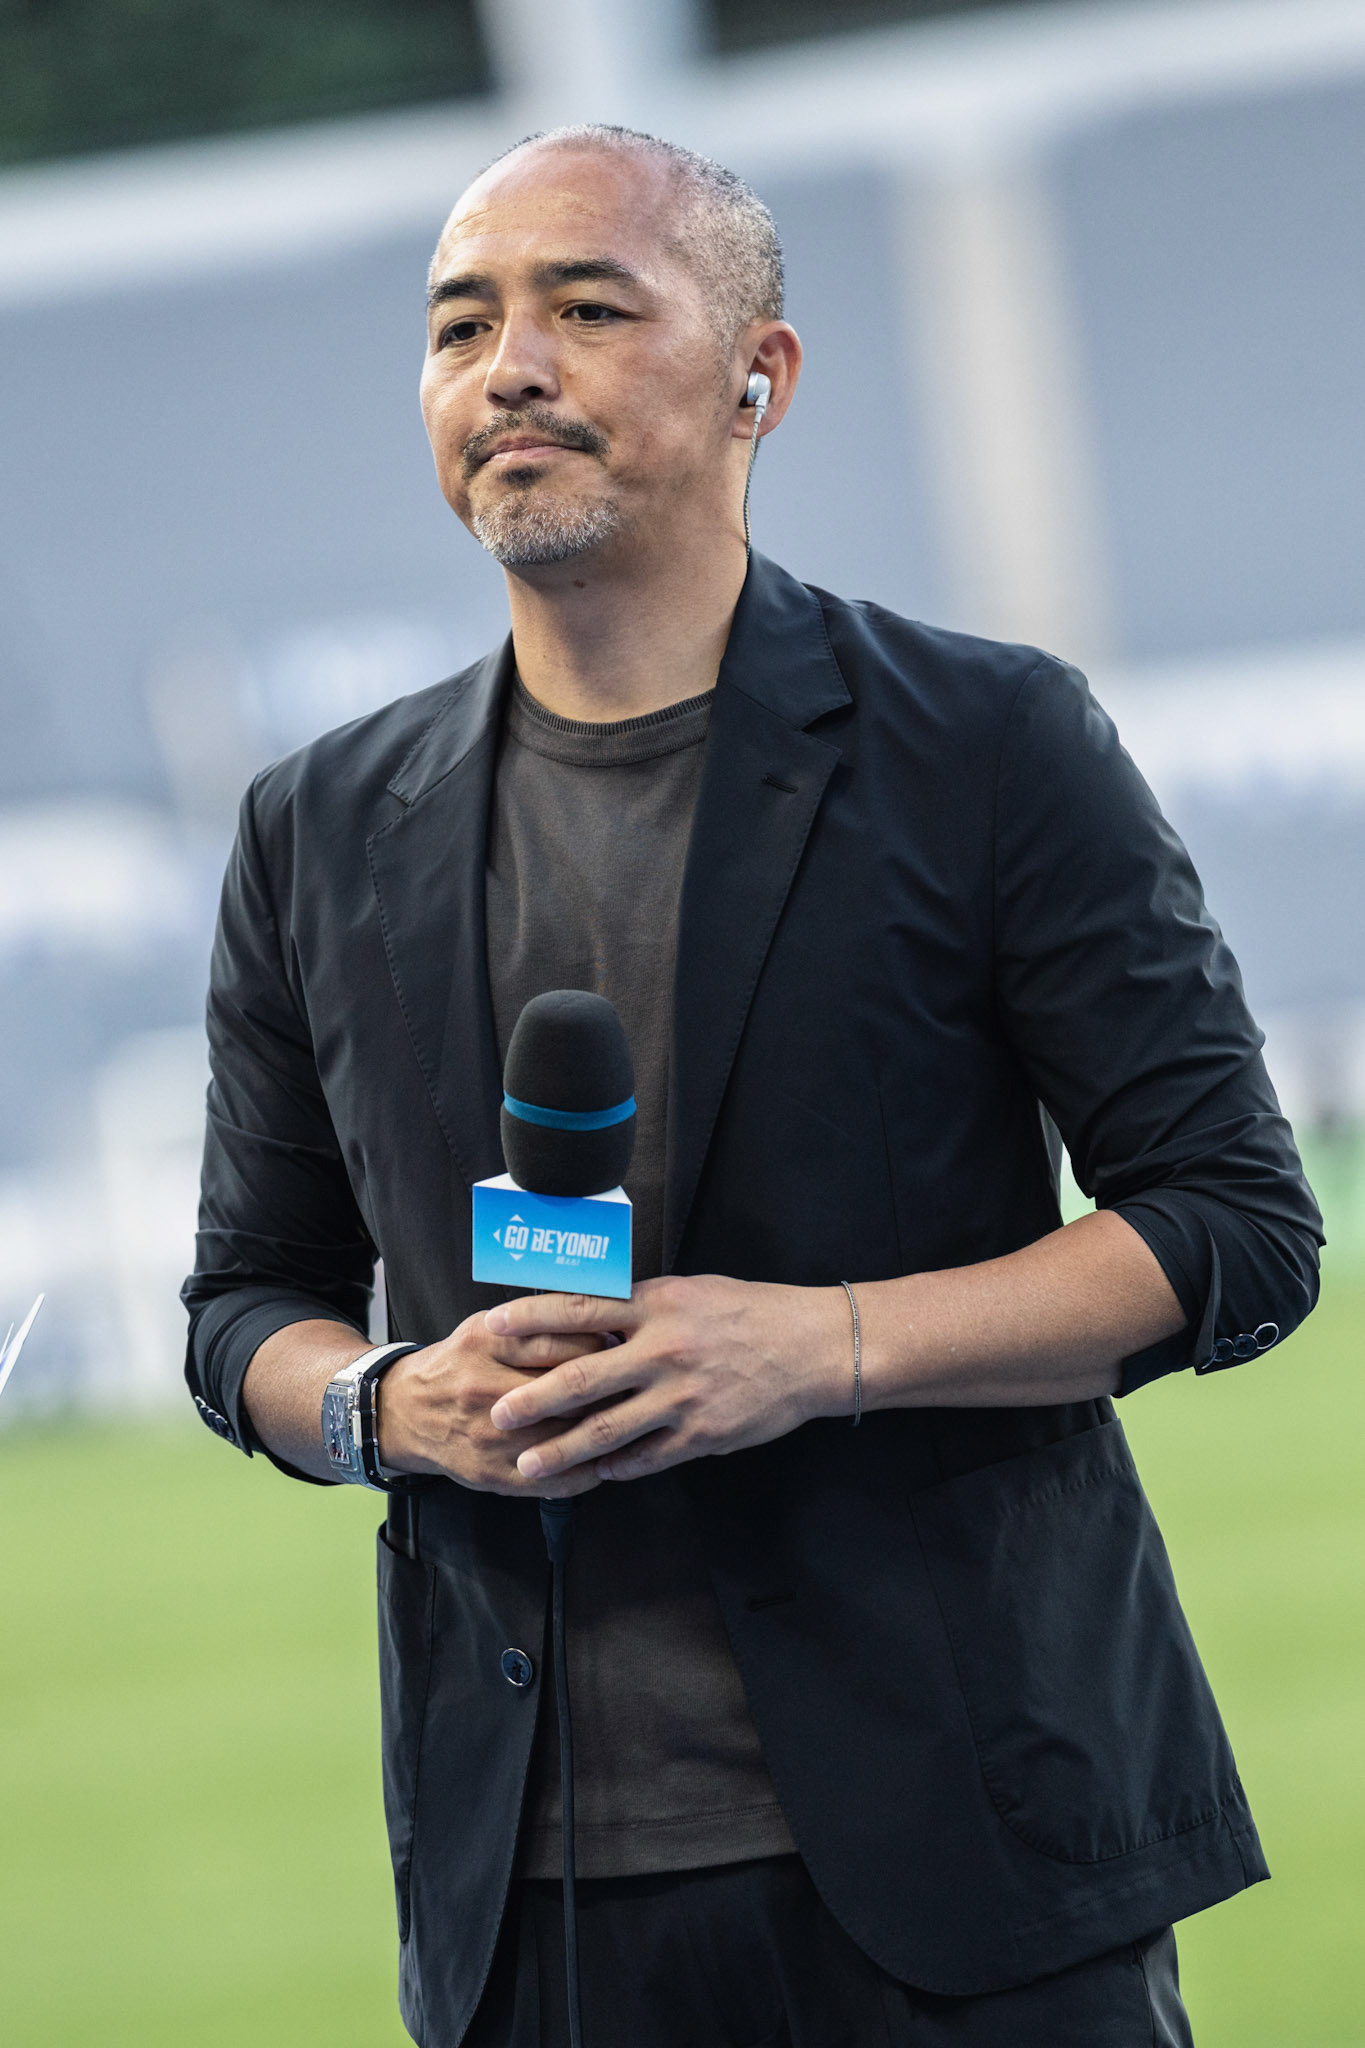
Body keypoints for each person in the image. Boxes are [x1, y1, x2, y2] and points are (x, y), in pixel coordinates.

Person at [183, 126, 1322, 2048]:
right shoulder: (317, 828)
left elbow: (1232, 1229)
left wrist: (822, 1348)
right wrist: (390, 1405)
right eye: (461, 326)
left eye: (585, 307)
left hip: (969, 1870)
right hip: (524, 1905)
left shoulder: (984, 741)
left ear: (756, 378)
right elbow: (240, 1315)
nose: (509, 366)